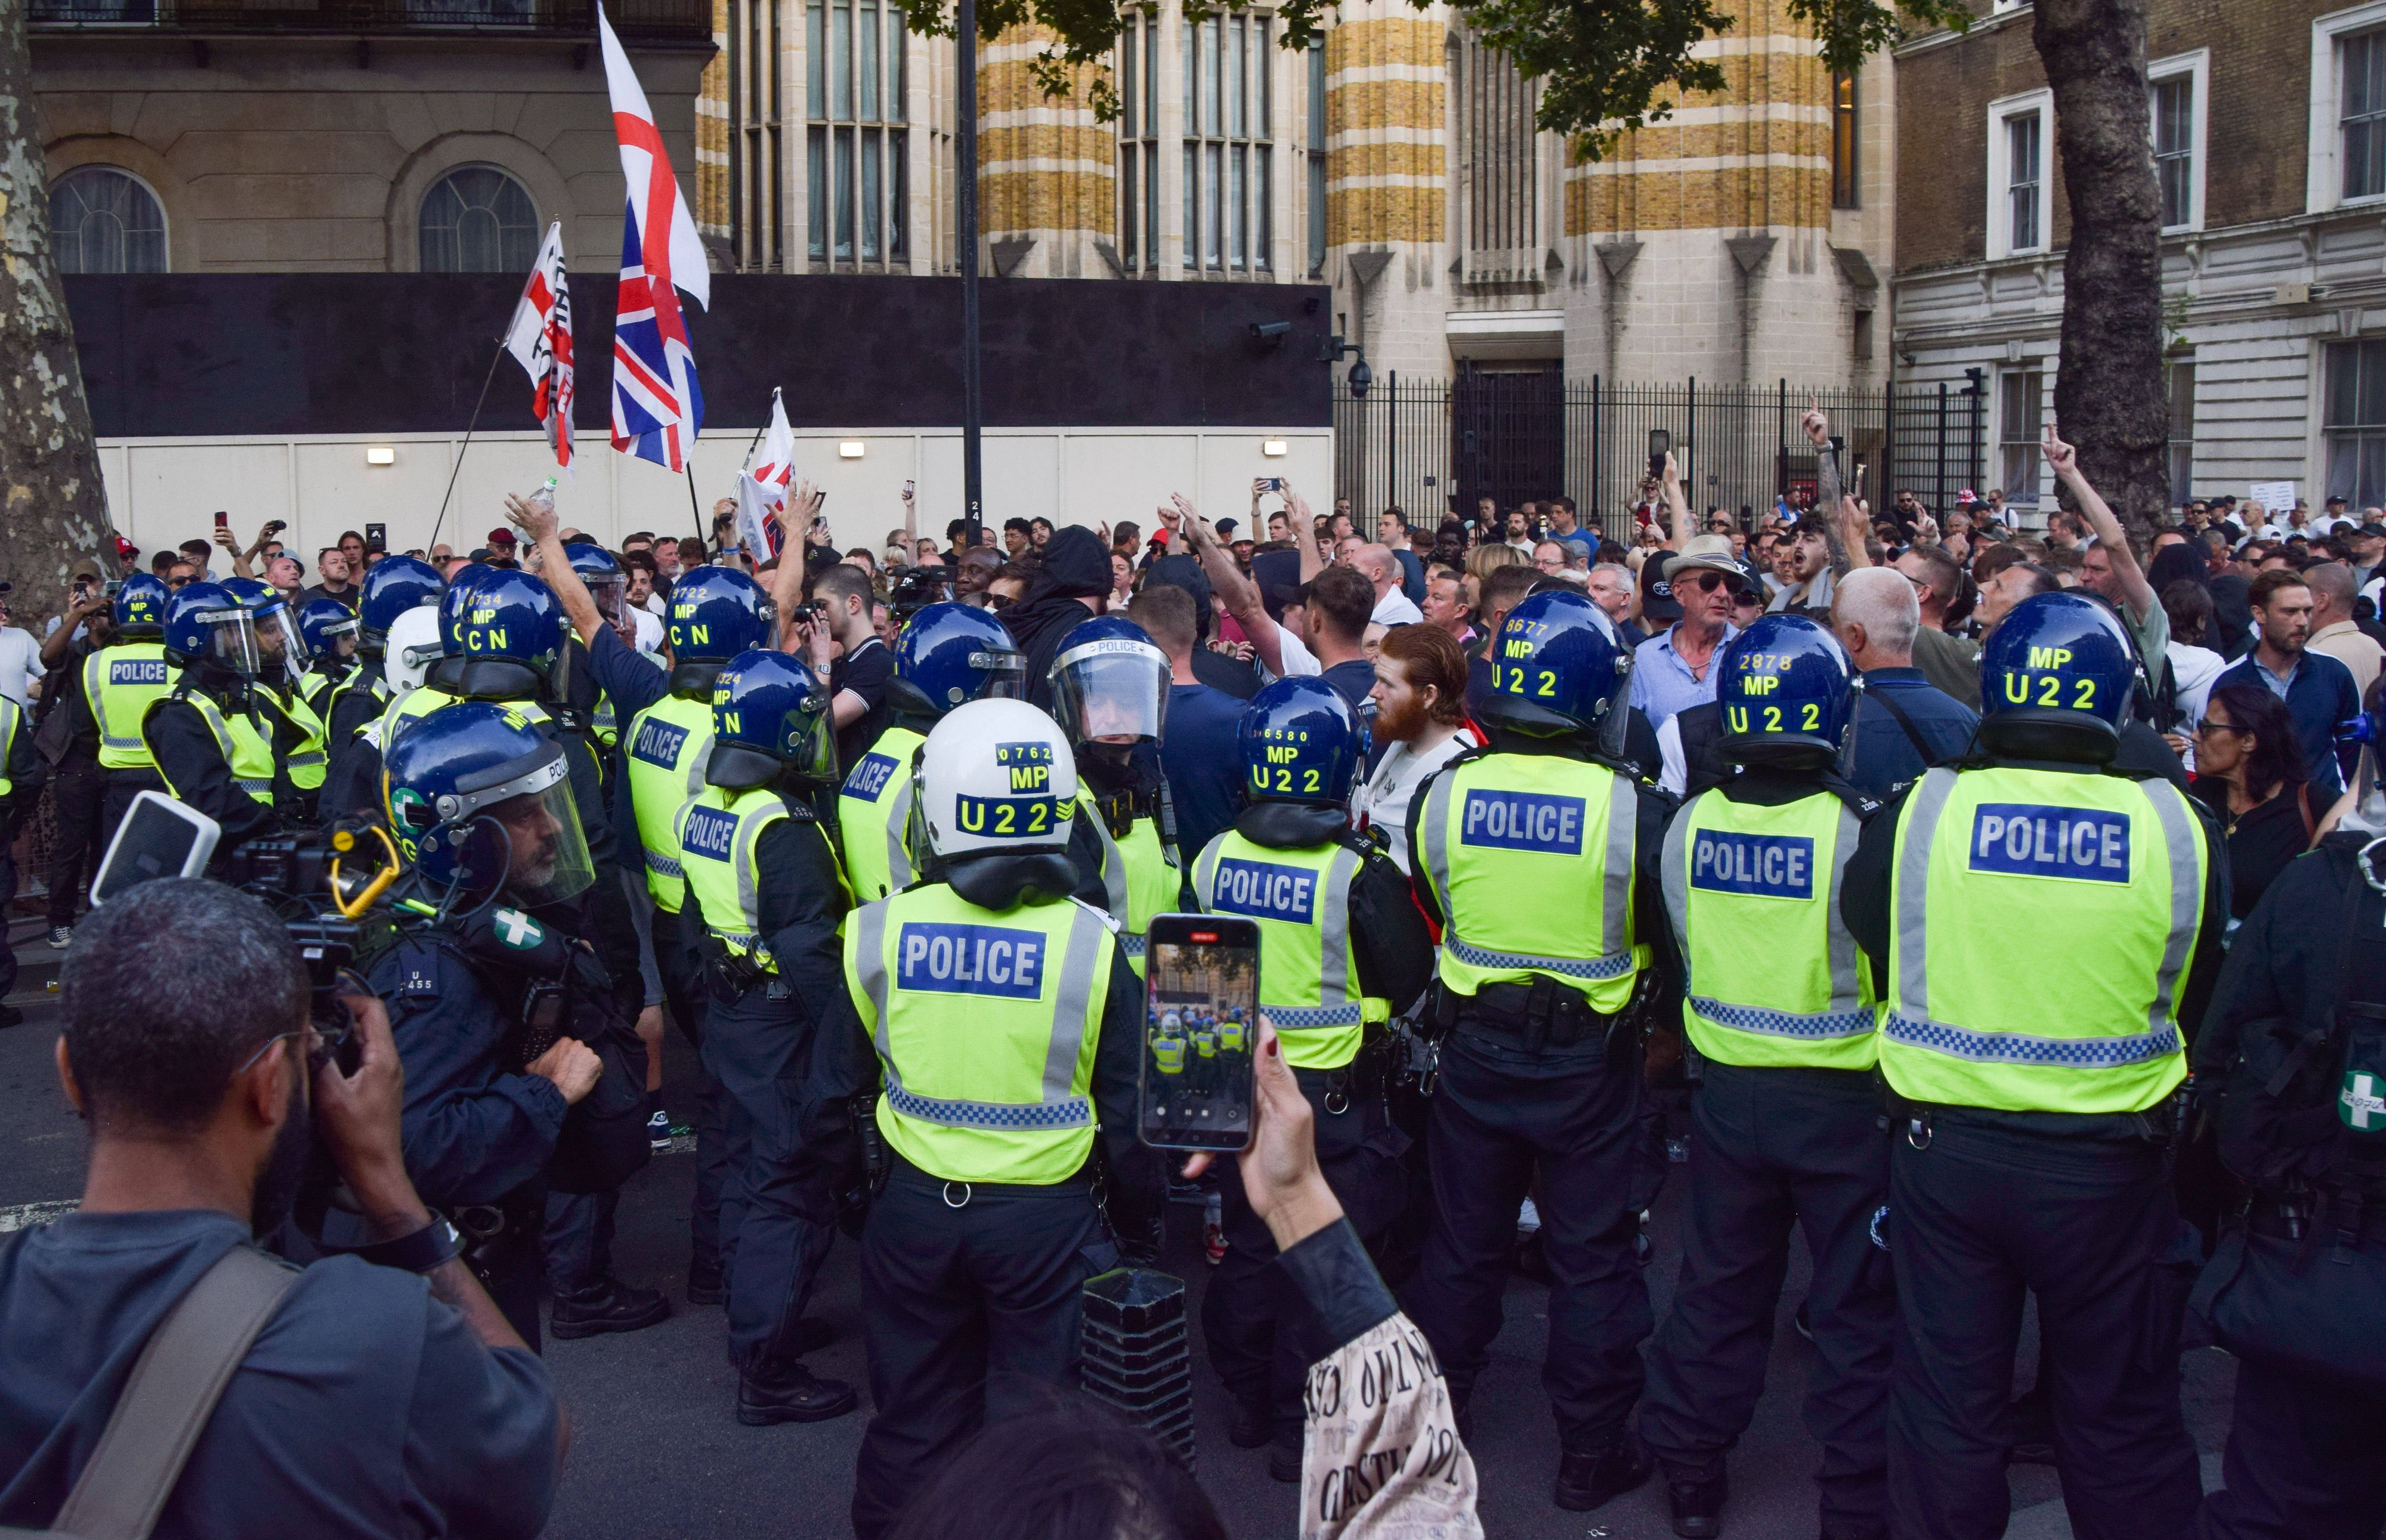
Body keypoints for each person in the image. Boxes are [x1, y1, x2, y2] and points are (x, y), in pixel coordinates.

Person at [0, 879, 561, 1536]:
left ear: (70, 1073)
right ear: (270, 1086)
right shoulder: (380, 1341)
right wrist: (391, 1190)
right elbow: (535, 1448)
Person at [1840, 590, 2226, 1540]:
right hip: (2109, 1161)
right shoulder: (2178, 824)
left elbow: (1868, 926)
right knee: (2120, 1415)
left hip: (1947, 1153)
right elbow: (2200, 980)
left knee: (1946, 1410)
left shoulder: (1925, 809)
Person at [842, 698, 1163, 1538]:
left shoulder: (875, 929)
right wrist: (1137, 1223)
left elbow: (832, 1089)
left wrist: (856, 1199)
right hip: (1047, 1222)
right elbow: (1129, 1115)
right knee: (1040, 1438)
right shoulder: (1093, 943)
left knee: (912, 1423)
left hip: (911, 1209)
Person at [1405, 589, 1679, 1513]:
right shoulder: (1633, 807)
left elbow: (1441, 907)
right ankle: (1591, 1454)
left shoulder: (1445, 791)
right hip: (1589, 1066)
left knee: (1461, 1248)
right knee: (1593, 1257)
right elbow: (1659, 931)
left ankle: (1438, 1428)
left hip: (1474, 1054)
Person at [1638, 614, 1892, 1540]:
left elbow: (1679, 951)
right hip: (1841, 1100)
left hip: (1726, 1097)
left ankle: (1692, 1473)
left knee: (1717, 1291)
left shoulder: (1689, 823)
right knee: (1858, 1307)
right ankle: (1857, 1503)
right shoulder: (1862, 831)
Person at [1185, 676, 1433, 1480]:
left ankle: (1248, 1400)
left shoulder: (1214, 856)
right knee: (1316, 1263)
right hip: (1333, 1107)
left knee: (1251, 1253)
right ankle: (1303, 1434)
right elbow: (1407, 978)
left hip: (1240, 1092)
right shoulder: (1354, 870)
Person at [367, 702, 620, 1349]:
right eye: (524, 812)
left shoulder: (475, 925)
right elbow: (417, 1146)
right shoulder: (437, 969)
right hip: (452, 1286)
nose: (553, 827)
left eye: (548, 802)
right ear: (460, 836)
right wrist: (547, 1092)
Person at [2190, 717, 2386, 1540]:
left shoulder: (2321, 888)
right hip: (2325, 1245)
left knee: (2282, 1504)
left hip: (2315, 1259)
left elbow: (2222, 1059)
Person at [676, 649, 870, 1425]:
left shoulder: (710, 805)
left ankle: (754, 1313)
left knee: (744, 1167)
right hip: (784, 1019)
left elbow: (697, 921)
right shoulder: (780, 825)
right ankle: (767, 1367)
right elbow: (811, 948)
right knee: (789, 1186)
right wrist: (847, 1042)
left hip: (733, 1011)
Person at [837, 602, 1027, 902]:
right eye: (997, 687)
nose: (1001, 702)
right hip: (928, 937)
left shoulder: (883, 750)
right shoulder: (942, 774)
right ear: (957, 689)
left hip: (879, 934)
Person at [1048, 615, 1181, 980]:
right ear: (1073, 707)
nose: (1112, 717)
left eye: (1126, 701)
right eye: (1096, 700)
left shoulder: (1149, 784)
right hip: (1104, 995)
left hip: (1162, 994)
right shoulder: (1066, 800)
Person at [141, 581, 282, 861]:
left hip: (260, 847)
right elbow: (210, 798)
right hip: (218, 856)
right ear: (198, 638)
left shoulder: (238, 694)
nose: (243, 639)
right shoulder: (178, 711)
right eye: (230, 631)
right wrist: (275, 827)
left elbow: (275, 768)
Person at [1831, 567, 1979, 800]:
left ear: (1855, 636)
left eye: (1834, 626)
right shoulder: (1969, 722)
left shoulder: (1832, 724)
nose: (1831, 635)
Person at [2212, 568, 2363, 797]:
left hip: (2322, 813)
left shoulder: (2334, 673)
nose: (2302, 621)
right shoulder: (2230, 682)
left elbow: (2352, 753)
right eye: (2290, 612)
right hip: (2258, 816)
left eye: (2307, 611)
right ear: (2259, 614)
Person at [1130, 583, 1245, 869]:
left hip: (1147, 882)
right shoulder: (1241, 718)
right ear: (1195, 634)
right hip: (1220, 881)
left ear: (1138, 640)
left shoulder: (1119, 723)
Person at [2190, 684, 2324, 921]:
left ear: (2249, 741)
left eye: (2207, 728)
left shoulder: (2311, 804)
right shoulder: (2197, 796)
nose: (2194, 736)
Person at [1353, 621, 1475, 873]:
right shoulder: (1404, 738)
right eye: (1377, 678)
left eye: (1387, 683)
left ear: (1429, 695)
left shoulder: (1458, 775)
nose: (1374, 692)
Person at [1632, 549, 1742, 730]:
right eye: (1709, 582)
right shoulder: (1644, 658)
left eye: (1732, 584)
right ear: (1679, 593)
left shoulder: (1749, 653)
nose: (1723, 593)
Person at [807, 562, 895, 771]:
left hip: (854, 789)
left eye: (823, 606)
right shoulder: (840, 663)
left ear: (853, 604)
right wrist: (812, 656)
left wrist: (821, 662)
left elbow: (820, 724)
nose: (818, 615)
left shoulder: (879, 663)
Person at [2304, 560, 2384, 697]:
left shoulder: (2316, 656)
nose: (2297, 600)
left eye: (2303, 592)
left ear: (2322, 601)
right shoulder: (2375, 647)